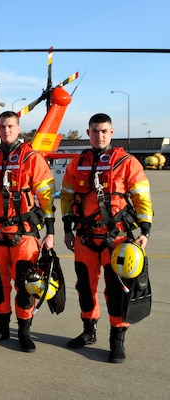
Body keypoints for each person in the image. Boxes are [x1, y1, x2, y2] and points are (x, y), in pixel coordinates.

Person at [61, 113, 153, 363]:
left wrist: (145, 230)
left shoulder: (127, 161)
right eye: (94, 131)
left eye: (103, 131)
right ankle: (89, 331)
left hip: (118, 240)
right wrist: (68, 228)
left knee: (117, 292)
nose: (99, 135)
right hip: (85, 239)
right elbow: (67, 197)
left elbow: (142, 198)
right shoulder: (76, 163)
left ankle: (117, 340)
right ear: (87, 132)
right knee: (84, 289)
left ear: (111, 132)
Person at [0, 110, 55, 352]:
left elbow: (46, 197)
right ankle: (3, 327)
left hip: (25, 233)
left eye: (10, 126)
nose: (6, 131)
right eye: (2, 127)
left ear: (18, 129)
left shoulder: (32, 158)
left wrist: (50, 232)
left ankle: (24, 331)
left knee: (25, 282)